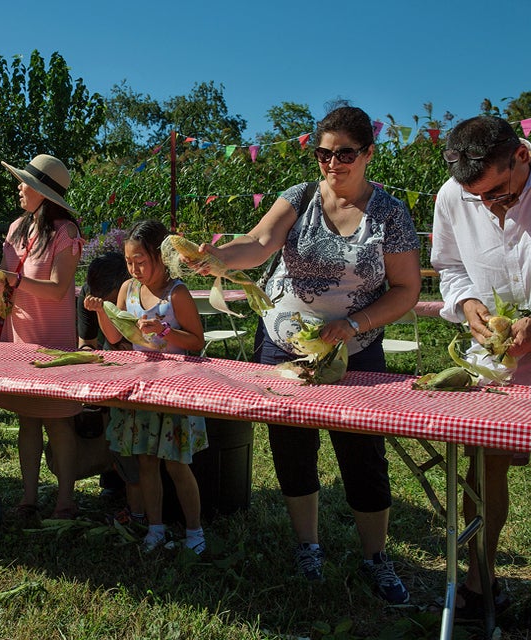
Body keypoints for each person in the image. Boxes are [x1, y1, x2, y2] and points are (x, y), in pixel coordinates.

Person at [194, 106, 421, 602]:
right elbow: (258, 242)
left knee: (363, 452)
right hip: (284, 342)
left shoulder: (390, 214)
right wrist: (213, 257)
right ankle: (308, 546)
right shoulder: (299, 198)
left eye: (344, 154)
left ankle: (375, 557)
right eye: (323, 153)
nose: (332, 164)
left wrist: (354, 324)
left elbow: (406, 289)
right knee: (292, 446)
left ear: (368, 154)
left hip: (354, 346)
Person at [431, 115, 531, 638]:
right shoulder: (454, 195)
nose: (493, 207)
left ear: (521, 156)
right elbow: (449, 266)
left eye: (502, 195)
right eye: (480, 200)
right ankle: (479, 580)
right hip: (498, 363)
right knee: (484, 470)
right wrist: (468, 304)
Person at [83, 219, 208, 554]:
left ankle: (195, 532)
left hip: (174, 389)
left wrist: (165, 332)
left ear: (159, 257)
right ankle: (155, 528)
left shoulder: (176, 294)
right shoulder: (128, 290)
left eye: (141, 261)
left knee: (177, 463)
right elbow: (115, 337)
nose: (134, 269)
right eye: (128, 262)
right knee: (146, 461)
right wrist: (101, 312)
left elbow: (196, 341)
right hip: (140, 388)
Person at [0, 154, 84, 522]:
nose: (19, 187)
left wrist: (15, 281)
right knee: (26, 420)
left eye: (25, 182)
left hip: (54, 345)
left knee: (59, 422)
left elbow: (58, 290)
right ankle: (28, 499)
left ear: (43, 193)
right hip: (19, 340)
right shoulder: (14, 229)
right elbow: (9, 286)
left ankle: (65, 502)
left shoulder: (66, 233)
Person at [75, 251, 142, 522]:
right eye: (97, 295)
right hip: (111, 362)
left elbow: (131, 342)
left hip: (143, 362)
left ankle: (137, 493)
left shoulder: (138, 292)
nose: (103, 302)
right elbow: (86, 342)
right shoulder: (89, 295)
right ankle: (113, 480)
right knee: (114, 426)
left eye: (110, 297)